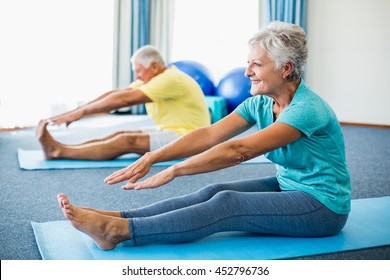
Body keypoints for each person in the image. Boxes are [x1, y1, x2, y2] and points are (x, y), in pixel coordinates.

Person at [57, 21, 351, 250]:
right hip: (289, 186)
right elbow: (211, 134)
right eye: (247, 62)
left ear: (286, 68)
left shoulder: (306, 110)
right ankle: (120, 217)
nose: (247, 72)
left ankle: (116, 232)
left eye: (256, 64)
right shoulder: (260, 103)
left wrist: (175, 169)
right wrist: (154, 156)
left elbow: (239, 150)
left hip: (322, 206)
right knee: (212, 192)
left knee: (228, 204)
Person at [36, 45, 211, 160]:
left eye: (139, 71)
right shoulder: (156, 78)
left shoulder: (171, 79)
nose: (137, 77)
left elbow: (124, 100)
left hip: (190, 138)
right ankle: (62, 147)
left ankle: (58, 152)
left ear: (154, 67)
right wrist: (78, 109)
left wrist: (80, 113)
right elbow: (118, 93)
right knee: (120, 133)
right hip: (174, 130)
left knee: (127, 141)